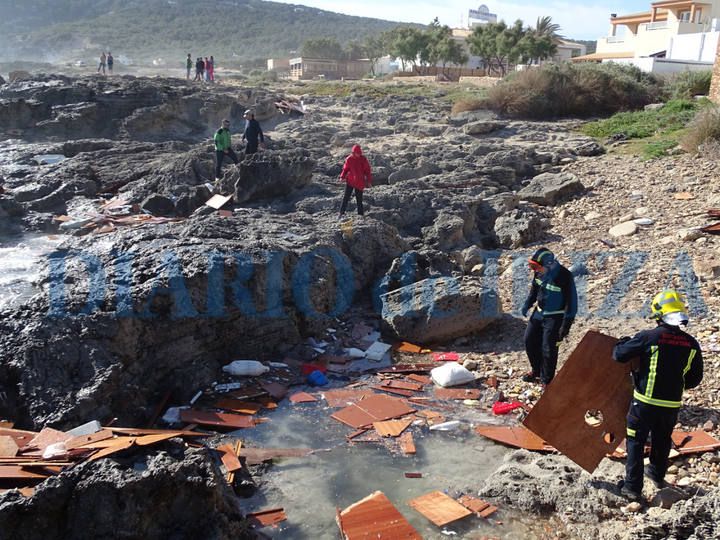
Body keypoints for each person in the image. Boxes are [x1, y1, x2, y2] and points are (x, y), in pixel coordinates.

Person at [613, 290, 703, 501]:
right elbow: (694, 379)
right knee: (662, 440)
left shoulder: (649, 337)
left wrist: (622, 341)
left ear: (658, 313)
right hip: (671, 405)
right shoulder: (691, 344)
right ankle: (656, 474)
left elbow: (619, 355)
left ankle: (632, 488)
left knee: (635, 441)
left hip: (644, 403)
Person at [521, 248, 577, 386]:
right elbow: (534, 290)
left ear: (549, 265)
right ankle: (536, 371)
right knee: (529, 341)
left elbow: (572, 304)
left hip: (555, 317)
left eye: (536, 267)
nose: (534, 270)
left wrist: (565, 326)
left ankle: (547, 380)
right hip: (539, 313)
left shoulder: (564, 276)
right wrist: (527, 304)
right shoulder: (539, 273)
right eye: (532, 266)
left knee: (549, 349)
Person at [338, 144, 372, 217]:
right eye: (357, 153)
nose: (359, 155)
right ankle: (341, 212)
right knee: (346, 197)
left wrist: (369, 181)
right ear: (353, 152)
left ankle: (360, 214)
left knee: (359, 199)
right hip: (350, 181)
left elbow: (367, 171)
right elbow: (345, 169)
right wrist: (342, 177)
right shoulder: (349, 159)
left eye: (360, 153)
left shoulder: (363, 159)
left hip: (360, 182)